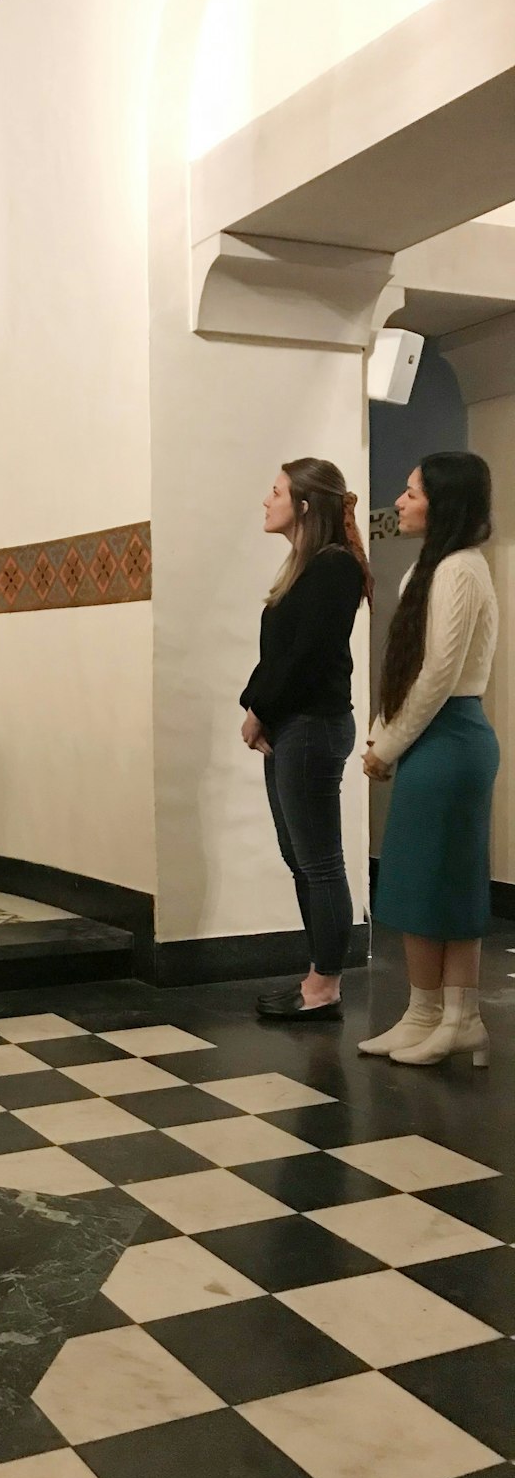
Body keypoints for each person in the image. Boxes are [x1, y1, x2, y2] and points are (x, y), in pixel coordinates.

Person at [361, 453, 499, 1067]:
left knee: (451, 883)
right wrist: (379, 733)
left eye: (413, 492)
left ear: (443, 503)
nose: (402, 500)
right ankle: (422, 1012)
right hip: (428, 737)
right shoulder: (434, 565)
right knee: (416, 881)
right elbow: (407, 668)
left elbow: (439, 675)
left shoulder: (462, 569)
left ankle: (462, 1017)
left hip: (452, 737)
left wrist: (387, 744)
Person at [241, 458, 372, 1022]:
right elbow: (280, 656)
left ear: (304, 506)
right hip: (292, 725)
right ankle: (317, 975)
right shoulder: (306, 565)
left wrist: (259, 710)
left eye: (275, 492)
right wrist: (258, 707)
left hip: (312, 727)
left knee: (320, 862)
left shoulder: (334, 568)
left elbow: (308, 657)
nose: (265, 501)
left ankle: (325, 984)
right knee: (301, 858)